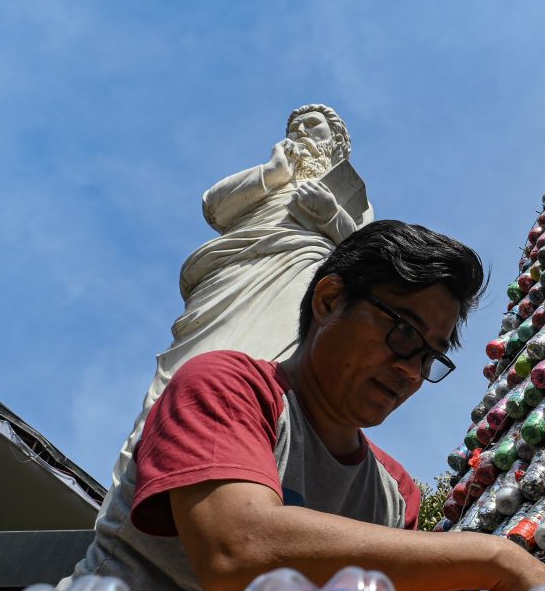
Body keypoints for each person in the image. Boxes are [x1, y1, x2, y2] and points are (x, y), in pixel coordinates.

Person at [66, 221, 545, 591]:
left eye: (431, 355)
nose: (411, 369)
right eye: (403, 333)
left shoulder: (394, 494)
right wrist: (496, 560)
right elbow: (237, 555)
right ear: (328, 301)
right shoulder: (228, 387)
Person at [106, 103, 373, 491]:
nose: (300, 130)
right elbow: (215, 205)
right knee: (188, 367)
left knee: (264, 372)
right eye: (295, 125)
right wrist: (273, 173)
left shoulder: (349, 196)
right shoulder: (273, 173)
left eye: (312, 125)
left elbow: (365, 258)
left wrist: (329, 214)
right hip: (232, 276)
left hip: (297, 277)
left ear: (335, 141)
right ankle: (139, 476)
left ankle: (234, 467)